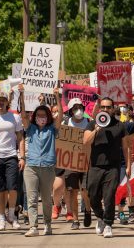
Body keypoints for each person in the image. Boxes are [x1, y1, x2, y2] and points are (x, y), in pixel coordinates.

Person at [19, 85, 63, 237]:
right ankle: (33, 227)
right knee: (31, 199)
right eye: (39, 115)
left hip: (48, 167)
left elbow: (61, 116)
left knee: (45, 199)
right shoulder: (30, 128)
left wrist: (57, 96)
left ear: (48, 116)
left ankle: (48, 224)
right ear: (35, 116)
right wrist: (22, 94)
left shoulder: (52, 129)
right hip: (31, 167)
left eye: (44, 115)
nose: (41, 117)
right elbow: (23, 114)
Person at [83, 97, 129, 238]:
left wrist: (128, 166)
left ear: (113, 108)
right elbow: (85, 141)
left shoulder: (119, 125)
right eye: (102, 107)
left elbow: (126, 147)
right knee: (92, 195)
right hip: (95, 166)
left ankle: (108, 224)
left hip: (113, 167)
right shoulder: (92, 124)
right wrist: (96, 129)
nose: (105, 110)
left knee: (109, 196)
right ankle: (100, 217)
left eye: (108, 107)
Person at [0, 91, 25, 231]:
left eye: (3, 100)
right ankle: (1, 218)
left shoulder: (15, 117)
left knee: (13, 188)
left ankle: (12, 215)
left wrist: (22, 156)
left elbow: (21, 138)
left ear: (7, 102)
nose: (1, 102)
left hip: (12, 156)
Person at [62, 98, 92, 230]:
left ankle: (87, 210)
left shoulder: (89, 122)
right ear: (70, 111)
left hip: (86, 160)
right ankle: (75, 219)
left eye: (80, 107)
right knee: (72, 191)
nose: (78, 110)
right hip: (71, 161)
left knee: (85, 190)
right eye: (75, 108)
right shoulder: (66, 123)